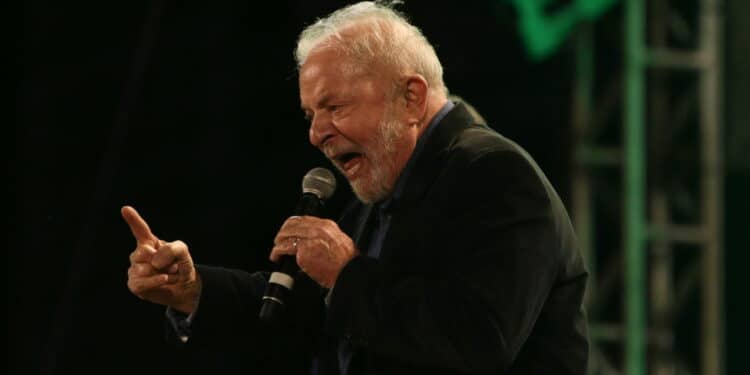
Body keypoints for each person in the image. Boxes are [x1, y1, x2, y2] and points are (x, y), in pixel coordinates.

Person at [123, 1, 589, 374]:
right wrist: (192, 290)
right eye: (310, 115)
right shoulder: (384, 188)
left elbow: (480, 340)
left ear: (411, 98)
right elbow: (303, 315)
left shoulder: (495, 175)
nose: (315, 134)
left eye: (335, 107)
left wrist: (345, 274)